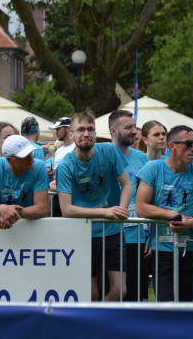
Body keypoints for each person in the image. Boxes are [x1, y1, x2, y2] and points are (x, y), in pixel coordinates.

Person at [57, 112, 132, 301]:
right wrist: (105, 212)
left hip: (113, 232)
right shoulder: (66, 165)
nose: (86, 134)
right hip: (84, 234)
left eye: (90, 129)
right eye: (80, 130)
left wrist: (121, 211)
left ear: (95, 133)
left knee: (120, 291)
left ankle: (100, 317)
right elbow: (66, 210)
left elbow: (127, 185)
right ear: (71, 134)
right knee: (90, 293)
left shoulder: (109, 151)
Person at [136, 125, 193, 301]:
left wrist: (191, 222)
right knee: (166, 305)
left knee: (191, 305)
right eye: (188, 144)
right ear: (172, 146)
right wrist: (171, 214)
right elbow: (141, 207)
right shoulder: (153, 168)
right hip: (163, 250)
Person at [109, 110, 150, 301]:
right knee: (112, 293)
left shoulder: (142, 158)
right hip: (109, 236)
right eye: (128, 127)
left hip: (137, 237)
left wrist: (151, 235)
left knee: (136, 296)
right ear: (113, 131)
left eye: (134, 126)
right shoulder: (102, 156)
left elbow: (150, 197)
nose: (134, 131)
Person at [0, 135, 49, 229]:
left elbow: (42, 209)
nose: (31, 157)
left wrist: (12, 213)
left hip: (28, 228)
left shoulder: (39, 166)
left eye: (30, 152)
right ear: (9, 159)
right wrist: (1, 209)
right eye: (24, 156)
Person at [48, 117, 75, 217]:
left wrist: (50, 186)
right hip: (57, 196)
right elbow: (56, 177)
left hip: (71, 197)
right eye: (55, 129)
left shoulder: (76, 148)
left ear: (68, 129)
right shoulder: (58, 151)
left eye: (58, 129)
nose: (56, 132)